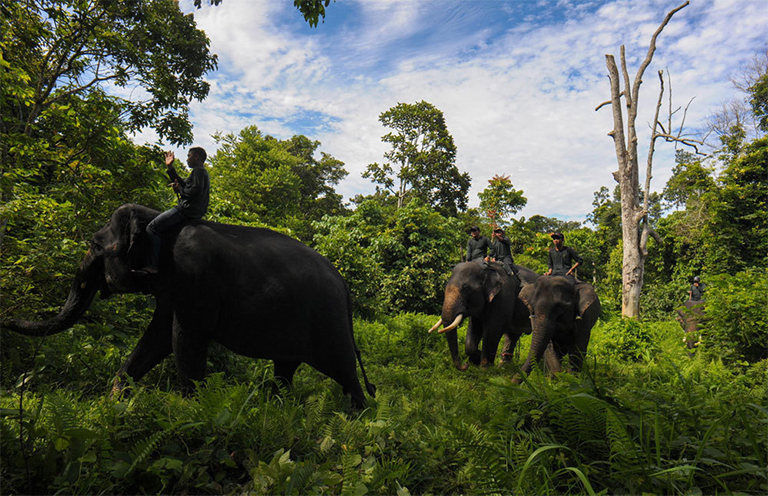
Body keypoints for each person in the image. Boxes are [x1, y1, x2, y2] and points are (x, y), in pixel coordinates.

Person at [134, 148, 210, 275]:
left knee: (153, 228)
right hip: (195, 211)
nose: (187, 159)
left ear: (196, 157)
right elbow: (184, 184)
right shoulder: (202, 172)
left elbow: (195, 191)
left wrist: (180, 191)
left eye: (189, 156)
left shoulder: (198, 171)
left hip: (186, 210)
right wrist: (170, 167)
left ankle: (152, 265)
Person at [546, 232, 584, 319]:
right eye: (554, 239)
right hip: (554, 274)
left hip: (566, 274)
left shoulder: (568, 250)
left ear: (562, 240)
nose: (555, 240)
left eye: (557, 238)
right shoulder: (551, 251)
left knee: (572, 289)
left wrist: (571, 269)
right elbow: (550, 264)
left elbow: (579, 260)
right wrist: (549, 272)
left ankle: (577, 311)